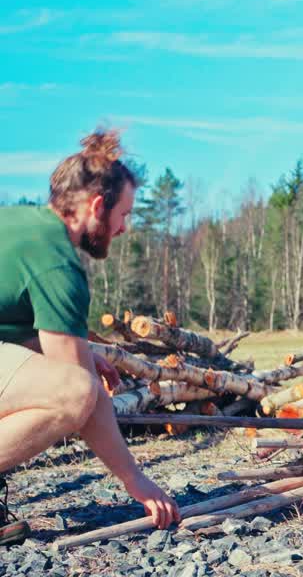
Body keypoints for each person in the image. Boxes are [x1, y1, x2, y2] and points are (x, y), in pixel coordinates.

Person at [0, 128, 180, 545]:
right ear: (98, 206)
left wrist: (77, 351)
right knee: (74, 390)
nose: (123, 229)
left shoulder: (20, 223)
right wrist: (135, 479)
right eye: (124, 215)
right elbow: (82, 397)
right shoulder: (56, 263)